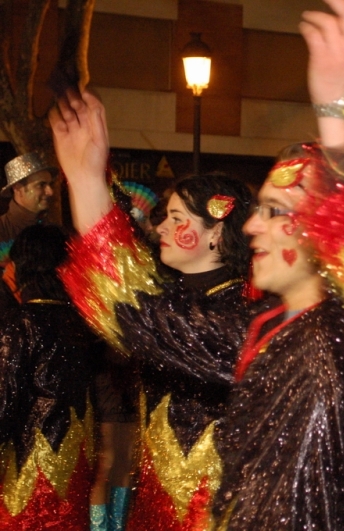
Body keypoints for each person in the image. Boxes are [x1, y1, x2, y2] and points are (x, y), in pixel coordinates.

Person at [213, 1, 344, 529]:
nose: (250, 227)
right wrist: (83, 186)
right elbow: (145, 319)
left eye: (274, 211)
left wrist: (339, 111)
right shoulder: (257, 327)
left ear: (324, 230)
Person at [50, 89, 254, 529]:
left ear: (216, 232)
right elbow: (118, 267)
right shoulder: (173, 295)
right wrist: (84, 177)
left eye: (178, 218)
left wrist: (86, 182)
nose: (162, 225)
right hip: (156, 508)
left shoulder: (240, 313)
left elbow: (127, 304)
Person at [0, 224, 104, 529]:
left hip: (28, 466)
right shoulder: (81, 323)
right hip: (74, 464)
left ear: (22, 266)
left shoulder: (20, 324)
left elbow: (4, 401)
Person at [0, 152, 58, 244]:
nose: (50, 192)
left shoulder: (55, 232)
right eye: (41, 185)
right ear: (18, 188)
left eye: (50, 184)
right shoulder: (3, 231)